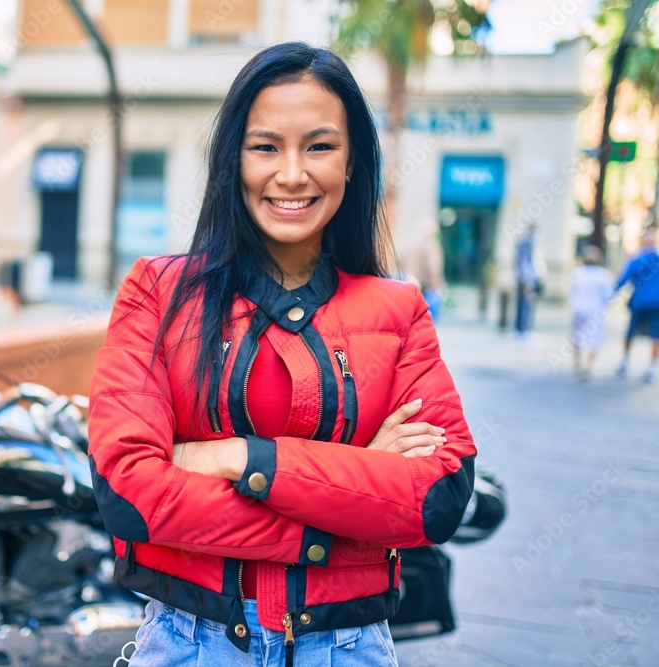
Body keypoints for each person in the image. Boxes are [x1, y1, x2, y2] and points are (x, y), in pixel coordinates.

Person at [88, 43, 476, 667]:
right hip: (188, 645)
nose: (292, 174)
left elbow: (438, 499)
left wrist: (232, 457)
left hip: (349, 650)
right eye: (265, 146)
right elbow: (128, 495)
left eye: (319, 146)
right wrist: (354, 493)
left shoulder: (398, 311)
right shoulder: (156, 293)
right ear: (232, 161)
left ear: (352, 163)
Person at [614, 228, 659, 382]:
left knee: (630, 332)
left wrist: (612, 294)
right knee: (655, 335)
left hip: (638, 302)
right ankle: (651, 368)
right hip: (656, 304)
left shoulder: (636, 259)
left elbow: (623, 280)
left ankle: (624, 363)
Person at [568, 245, 612, 380]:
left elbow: (571, 291)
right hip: (595, 310)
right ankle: (587, 366)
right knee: (595, 338)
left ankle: (577, 362)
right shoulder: (603, 275)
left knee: (577, 336)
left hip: (578, 309)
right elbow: (609, 296)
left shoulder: (577, 273)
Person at [402, 218, 447, 322]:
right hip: (427, 288)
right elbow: (434, 268)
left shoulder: (409, 244)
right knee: (428, 319)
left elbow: (401, 261)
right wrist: (439, 284)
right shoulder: (431, 245)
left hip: (411, 286)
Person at [514, 224, 546, 341]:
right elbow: (524, 265)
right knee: (525, 306)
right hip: (527, 281)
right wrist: (527, 281)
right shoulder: (525, 245)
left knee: (527, 305)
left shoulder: (529, 245)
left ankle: (523, 330)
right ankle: (523, 331)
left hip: (529, 280)